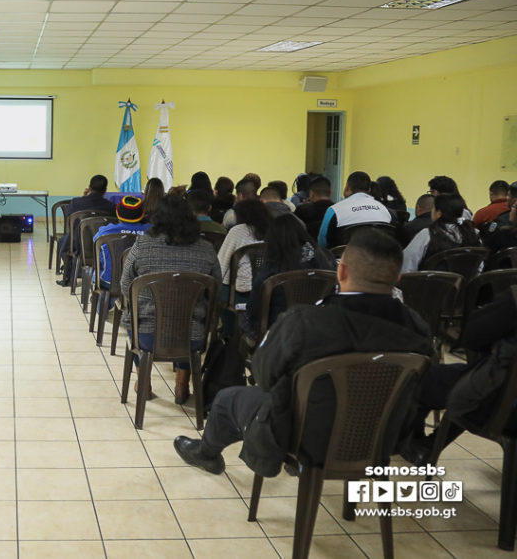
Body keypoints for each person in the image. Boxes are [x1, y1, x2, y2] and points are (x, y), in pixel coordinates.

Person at [174, 230, 433, 477]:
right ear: (397, 277)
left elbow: (264, 376)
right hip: (381, 439)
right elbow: (425, 388)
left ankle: (206, 454)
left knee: (227, 398)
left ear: (341, 271)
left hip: (306, 438)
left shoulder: (304, 322)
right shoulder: (419, 328)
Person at [120, 195, 222, 403]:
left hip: (147, 335)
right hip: (192, 336)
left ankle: (144, 383)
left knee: (134, 320)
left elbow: (125, 285)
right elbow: (216, 290)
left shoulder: (143, 245)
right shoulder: (206, 249)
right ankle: (181, 386)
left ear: (157, 218)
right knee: (190, 320)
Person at [400, 289, 517, 465]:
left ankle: (422, 447)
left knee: (419, 376)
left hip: (503, 408)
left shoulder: (513, 302)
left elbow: (471, 337)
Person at [244, 214, 335, 342]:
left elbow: (255, 307)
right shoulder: (325, 258)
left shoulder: (272, 268)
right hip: (319, 330)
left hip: (278, 333)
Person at [56, 174, 114, 285]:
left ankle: (69, 275)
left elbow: (69, 217)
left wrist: (84, 197)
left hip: (78, 244)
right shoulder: (110, 206)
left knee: (63, 241)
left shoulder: (76, 202)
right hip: (102, 245)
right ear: (105, 190)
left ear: (89, 188)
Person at [402, 193, 482, 272]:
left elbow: (406, 265)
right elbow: (479, 267)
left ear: (439, 213)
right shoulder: (474, 234)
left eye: (433, 208)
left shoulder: (428, 234)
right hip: (463, 283)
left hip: (428, 283)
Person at [317, 171, 393, 248]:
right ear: (369, 190)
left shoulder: (334, 210)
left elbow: (322, 241)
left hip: (344, 258)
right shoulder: (385, 210)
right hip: (378, 257)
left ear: (347, 187)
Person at [217, 199, 270, 304]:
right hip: (268, 288)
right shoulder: (274, 230)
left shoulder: (238, 230)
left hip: (239, 291)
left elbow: (222, 263)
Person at [93, 195, 151, 288]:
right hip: (140, 284)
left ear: (117, 213)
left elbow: (96, 247)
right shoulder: (151, 231)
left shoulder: (105, 232)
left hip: (109, 281)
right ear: (142, 214)